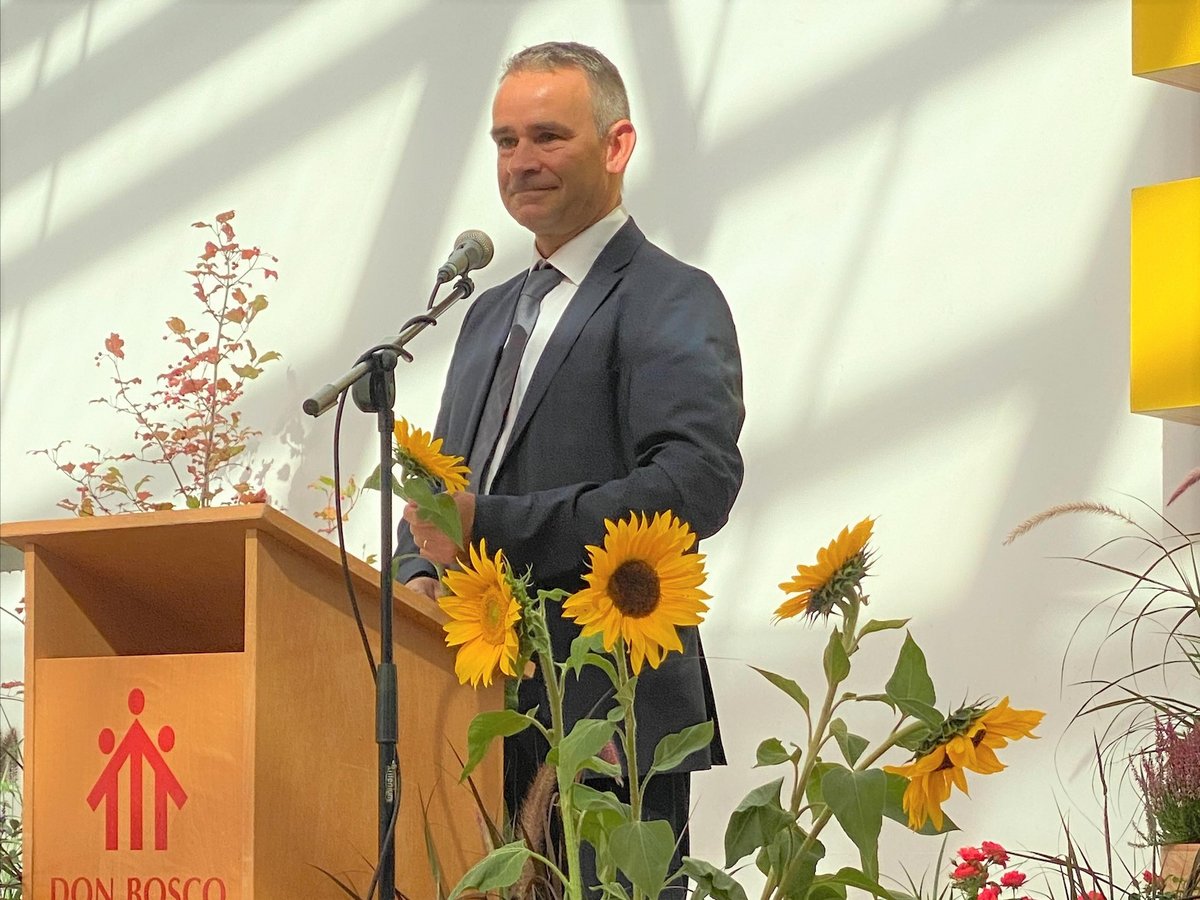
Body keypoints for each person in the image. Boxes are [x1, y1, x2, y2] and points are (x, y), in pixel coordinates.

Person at [397, 41, 744, 890]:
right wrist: (409, 579)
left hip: (608, 713)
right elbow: (444, 497)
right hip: (469, 710)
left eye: (547, 136)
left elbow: (694, 484)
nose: (521, 162)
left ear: (617, 146)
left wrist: (499, 528)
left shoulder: (670, 297)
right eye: (505, 142)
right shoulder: (481, 320)